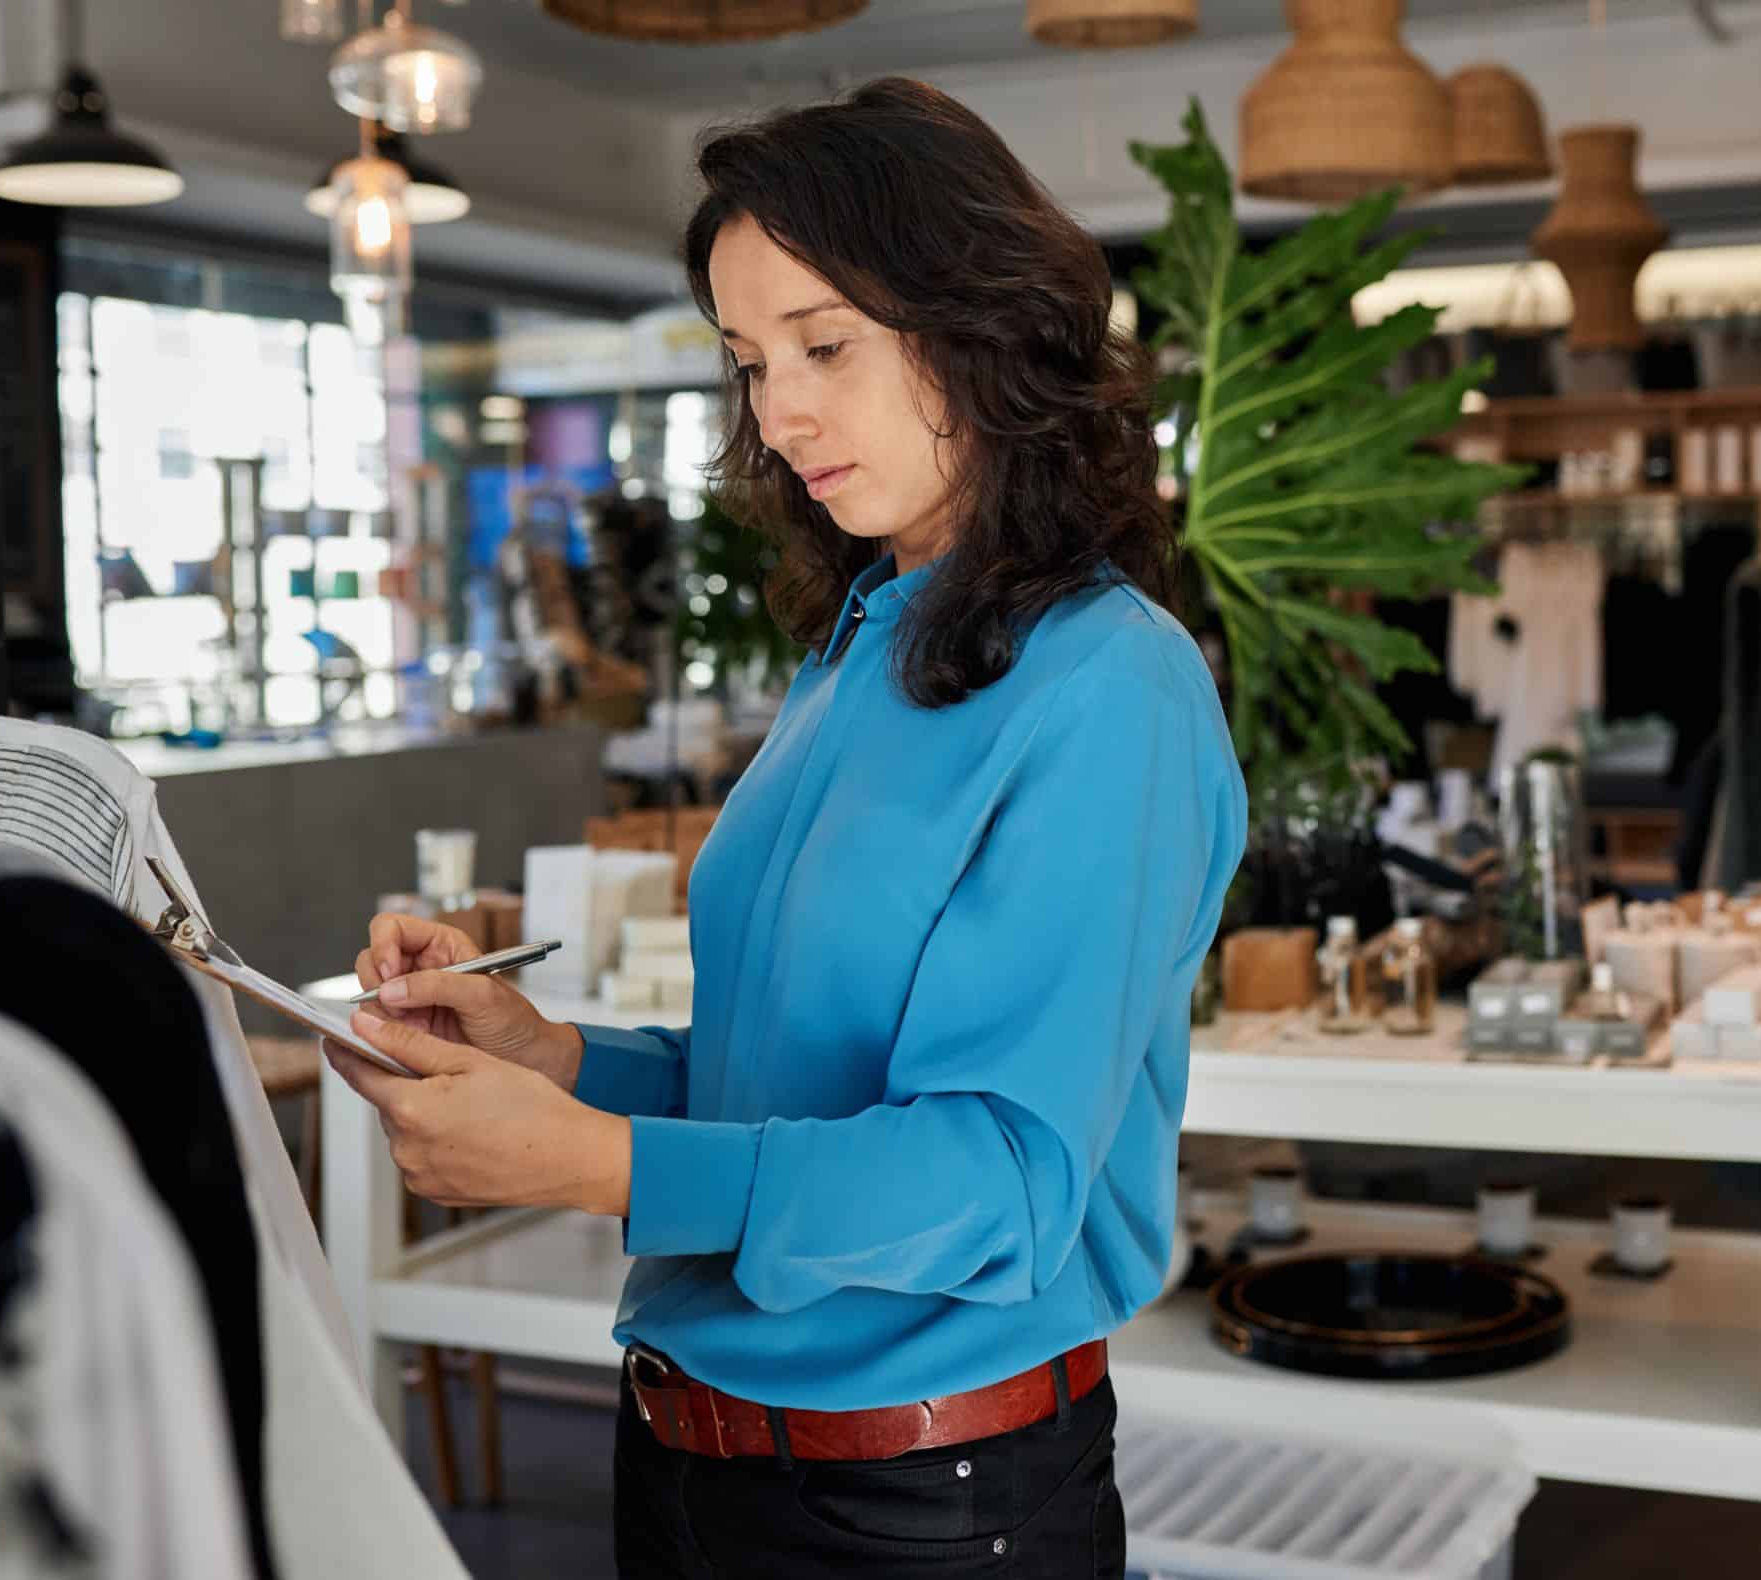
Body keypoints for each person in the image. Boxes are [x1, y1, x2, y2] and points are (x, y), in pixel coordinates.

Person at [325, 77, 1247, 1579]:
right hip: (692, 1454)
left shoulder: (1107, 686)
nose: (781, 409)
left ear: (982, 326)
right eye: (751, 361)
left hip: (919, 1507)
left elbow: (1002, 1179)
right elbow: (792, 1076)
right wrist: (555, 1062)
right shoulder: (863, 644)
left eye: (825, 344)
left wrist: (600, 1166)